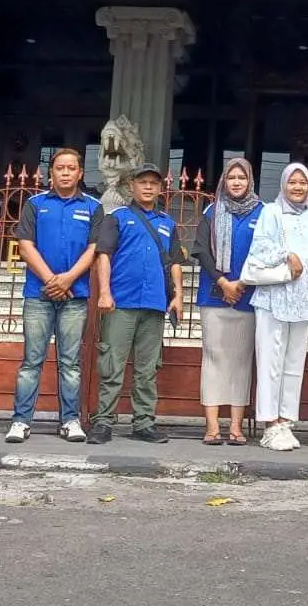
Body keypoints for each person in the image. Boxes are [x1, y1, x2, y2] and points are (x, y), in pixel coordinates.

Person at [8, 147, 100, 444]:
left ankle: (71, 420)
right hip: (38, 295)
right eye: (60, 168)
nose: (65, 172)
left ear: (80, 173)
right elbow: (25, 246)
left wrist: (69, 279)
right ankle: (21, 421)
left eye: (71, 168)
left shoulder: (92, 207)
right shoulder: (35, 205)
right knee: (31, 361)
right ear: (51, 172)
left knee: (70, 363)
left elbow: (93, 249)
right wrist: (51, 280)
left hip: (75, 296)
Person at [88, 163, 185, 445]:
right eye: (143, 182)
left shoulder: (167, 223)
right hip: (121, 303)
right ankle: (103, 422)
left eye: (153, 183)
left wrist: (178, 296)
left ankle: (144, 423)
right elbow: (103, 255)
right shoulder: (117, 217)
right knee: (112, 365)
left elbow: (175, 262)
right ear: (132, 185)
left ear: (160, 188)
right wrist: (105, 292)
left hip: (154, 305)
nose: (148, 187)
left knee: (148, 368)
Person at [241, 162, 308, 452]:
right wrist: (287, 255)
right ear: (284, 185)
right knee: (270, 362)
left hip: (302, 300)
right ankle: (269, 423)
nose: (298, 187)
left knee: (294, 363)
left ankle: (286, 420)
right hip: (273, 298)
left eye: (303, 182)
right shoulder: (271, 212)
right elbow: (260, 248)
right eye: (293, 182)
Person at [194, 156, 263, 446]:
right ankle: (212, 427)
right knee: (214, 359)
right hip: (214, 296)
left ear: (250, 181)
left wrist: (242, 283)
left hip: (248, 297)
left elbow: (265, 252)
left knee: (241, 362)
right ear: (225, 180)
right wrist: (223, 282)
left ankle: (235, 427)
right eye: (232, 178)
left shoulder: (264, 212)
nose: (237, 182)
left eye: (242, 178)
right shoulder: (212, 210)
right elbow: (200, 250)